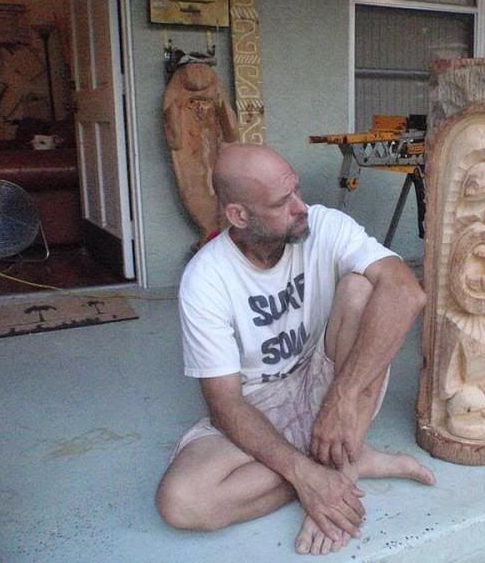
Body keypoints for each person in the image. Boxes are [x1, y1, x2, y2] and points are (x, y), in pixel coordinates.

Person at [156, 143, 435, 555]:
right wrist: (306, 478)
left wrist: (341, 399)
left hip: (326, 379)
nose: (301, 206)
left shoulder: (323, 225)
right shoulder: (206, 279)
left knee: (360, 289)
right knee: (182, 502)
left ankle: (341, 458)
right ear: (239, 216)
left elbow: (406, 292)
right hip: (255, 404)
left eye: (297, 190)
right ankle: (346, 464)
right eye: (281, 202)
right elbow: (226, 405)